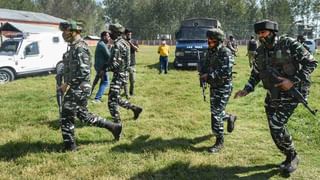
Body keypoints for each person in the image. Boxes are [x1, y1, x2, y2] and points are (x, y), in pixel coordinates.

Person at [234, 20, 317, 174]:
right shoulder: (260, 52)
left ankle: (293, 155)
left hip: (293, 92)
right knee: (274, 129)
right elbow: (256, 74)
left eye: (263, 33)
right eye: (259, 33)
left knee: (277, 124)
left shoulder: (289, 44)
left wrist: (292, 81)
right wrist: (247, 89)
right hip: (273, 93)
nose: (261, 36)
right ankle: (288, 155)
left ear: (272, 33)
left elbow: (311, 63)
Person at [57, 21, 122, 151]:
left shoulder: (80, 47)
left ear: (74, 32)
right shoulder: (73, 46)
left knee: (66, 115)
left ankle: (70, 147)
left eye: (65, 31)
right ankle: (113, 127)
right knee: (83, 115)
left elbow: (83, 72)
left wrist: (67, 84)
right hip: (78, 86)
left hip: (78, 87)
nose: (63, 34)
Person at [199, 28, 237, 153]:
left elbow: (225, 71)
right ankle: (230, 117)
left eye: (211, 41)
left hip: (223, 86)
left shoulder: (225, 52)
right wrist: (202, 71)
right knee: (217, 111)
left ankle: (219, 141)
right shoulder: (210, 51)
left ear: (219, 41)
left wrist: (209, 76)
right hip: (214, 86)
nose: (209, 43)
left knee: (215, 114)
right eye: (208, 41)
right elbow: (205, 64)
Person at [103, 23, 143, 123]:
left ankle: (117, 124)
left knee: (111, 102)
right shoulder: (125, 42)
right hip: (123, 74)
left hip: (118, 76)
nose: (110, 34)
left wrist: (105, 69)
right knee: (116, 98)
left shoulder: (118, 44)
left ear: (116, 33)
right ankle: (135, 109)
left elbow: (115, 64)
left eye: (111, 32)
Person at [92, 31, 111, 103]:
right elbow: (109, 55)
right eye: (108, 36)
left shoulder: (101, 44)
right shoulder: (102, 45)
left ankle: (90, 94)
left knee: (101, 81)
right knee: (105, 82)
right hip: (101, 67)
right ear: (104, 37)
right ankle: (97, 98)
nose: (109, 38)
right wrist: (111, 49)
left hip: (99, 66)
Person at [123, 28, 139, 97]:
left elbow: (137, 49)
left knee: (132, 80)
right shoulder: (122, 41)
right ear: (125, 34)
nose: (129, 35)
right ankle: (126, 93)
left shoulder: (134, 41)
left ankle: (131, 92)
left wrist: (130, 43)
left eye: (130, 34)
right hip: (124, 64)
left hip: (132, 64)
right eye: (128, 34)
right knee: (125, 80)